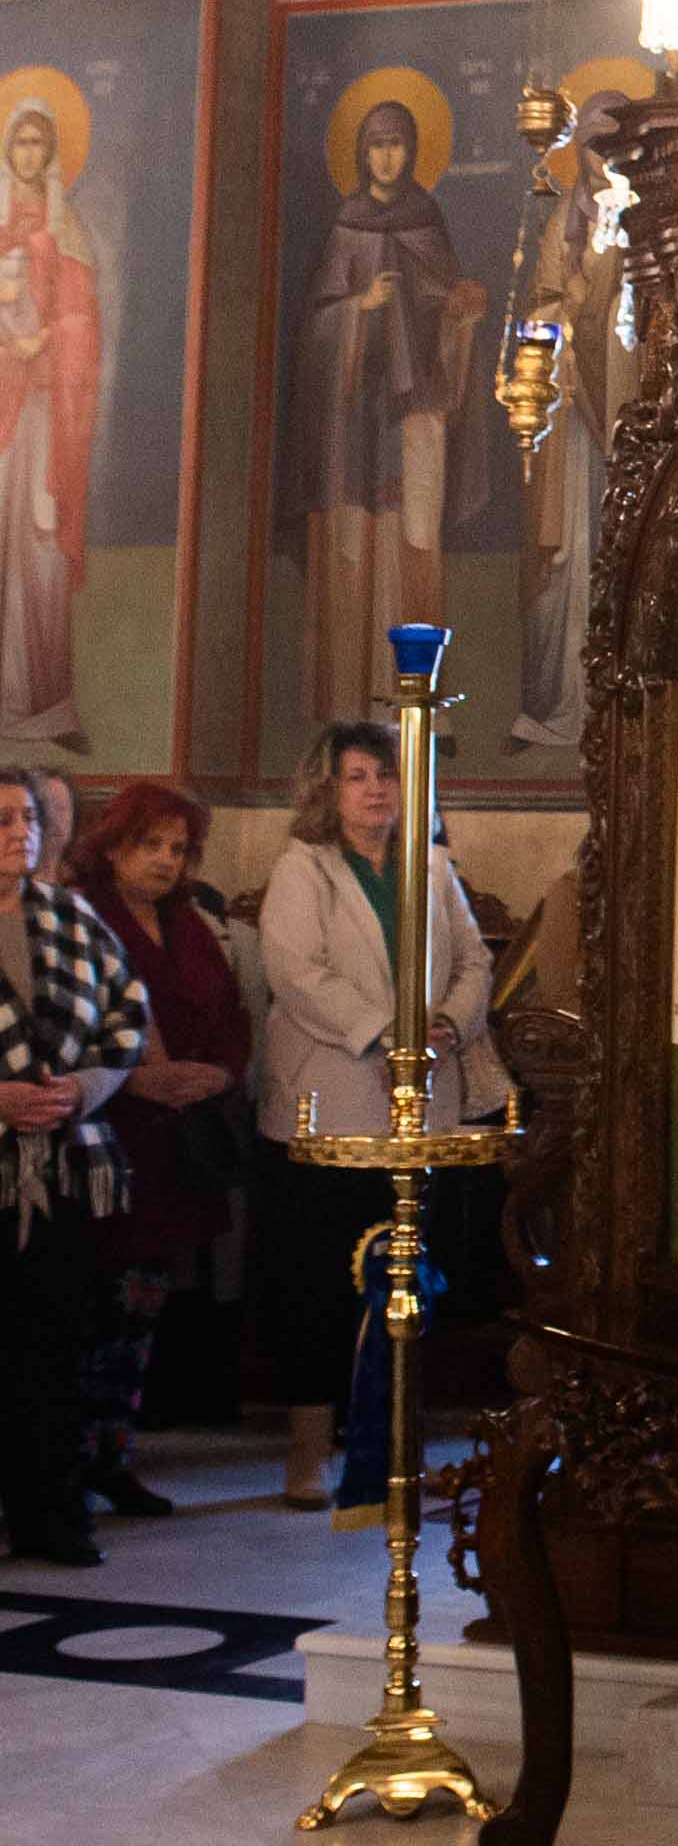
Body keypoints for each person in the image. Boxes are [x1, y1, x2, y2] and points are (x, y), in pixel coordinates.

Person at [255, 722, 510, 1511]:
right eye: (357, 777)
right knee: (319, 1283)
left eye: (386, 776)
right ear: (327, 790)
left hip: (422, 1100)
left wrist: (450, 1023)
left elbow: (474, 961)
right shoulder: (304, 868)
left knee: (408, 1277)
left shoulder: (431, 866)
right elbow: (298, 973)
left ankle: (398, 1443)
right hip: (331, 1101)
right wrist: (388, 1031)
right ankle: (309, 1453)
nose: (374, 791)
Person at [65, 781, 247, 1522]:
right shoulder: (83, 915)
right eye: (151, 845)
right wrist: (137, 1078)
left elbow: (231, 1014)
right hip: (106, 1133)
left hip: (175, 1141)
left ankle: (114, 1456)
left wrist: (218, 1073)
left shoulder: (188, 923)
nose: (166, 860)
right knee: (89, 1311)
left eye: (178, 848)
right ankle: (64, 1465)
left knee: (140, 1311)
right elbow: (69, 1026)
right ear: (113, 846)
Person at [286, 99, 493, 728]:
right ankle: (345, 706)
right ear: (361, 153)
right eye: (376, 144)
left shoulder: (427, 223)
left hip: (414, 412)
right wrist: (359, 308)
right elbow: (314, 332)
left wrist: (461, 314)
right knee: (351, 542)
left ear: (412, 151)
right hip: (351, 420)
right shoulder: (344, 227)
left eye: (396, 144)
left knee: (414, 539)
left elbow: (447, 316)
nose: (386, 156)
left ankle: (418, 710)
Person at [0, 764, 145, 1565]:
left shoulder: (71, 916)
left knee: (52, 1348)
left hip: (62, 1164)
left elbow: (126, 1015)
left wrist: (81, 1090)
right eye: (2, 820)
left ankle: (51, 1515)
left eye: (27, 818)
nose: (20, 833)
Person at [512, 91, 638, 751]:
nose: (601, 159)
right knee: (563, 552)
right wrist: (565, 312)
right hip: (569, 416)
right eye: (593, 146)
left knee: (620, 542)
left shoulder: (640, 216)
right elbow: (540, 306)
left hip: (621, 401)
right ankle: (559, 703)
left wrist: (601, 308)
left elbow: (641, 310)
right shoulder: (562, 217)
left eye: (613, 147)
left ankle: (622, 705)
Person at [0, 105, 97, 751]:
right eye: (21, 142)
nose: (29, 153)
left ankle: (43, 704)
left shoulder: (68, 226)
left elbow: (85, 320)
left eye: (40, 142)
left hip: (42, 413)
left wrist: (48, 339)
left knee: (40, 549)